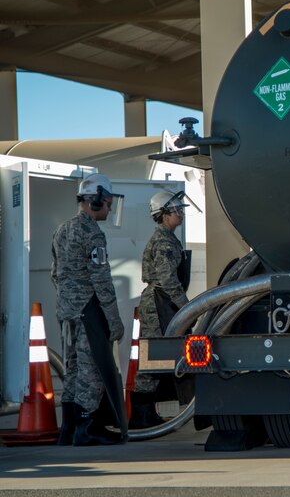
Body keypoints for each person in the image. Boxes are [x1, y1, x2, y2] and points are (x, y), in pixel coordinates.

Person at [51, 173, 127, 446]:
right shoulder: (92, 233)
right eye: (107, 202)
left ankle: (68, 428)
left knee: (71, 368)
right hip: (86, 310)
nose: (108, 208)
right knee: (89, 367)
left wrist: (67, 301)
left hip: (66, 311)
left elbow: (55, 274)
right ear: (97, 201)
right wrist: (114, 320)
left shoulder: (62, 229)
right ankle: (86, 426)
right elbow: (102, 280)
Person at [130, 190, 191, 429]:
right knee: (153, 355)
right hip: (158, 303)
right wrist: (187, 307)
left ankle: (147, 412)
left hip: (163, 301)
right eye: (176, 210)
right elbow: (167, 280)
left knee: (159, 354)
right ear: (164, 215)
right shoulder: (164, 242)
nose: (180, 214)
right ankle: (141, 414)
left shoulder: (168, 238)